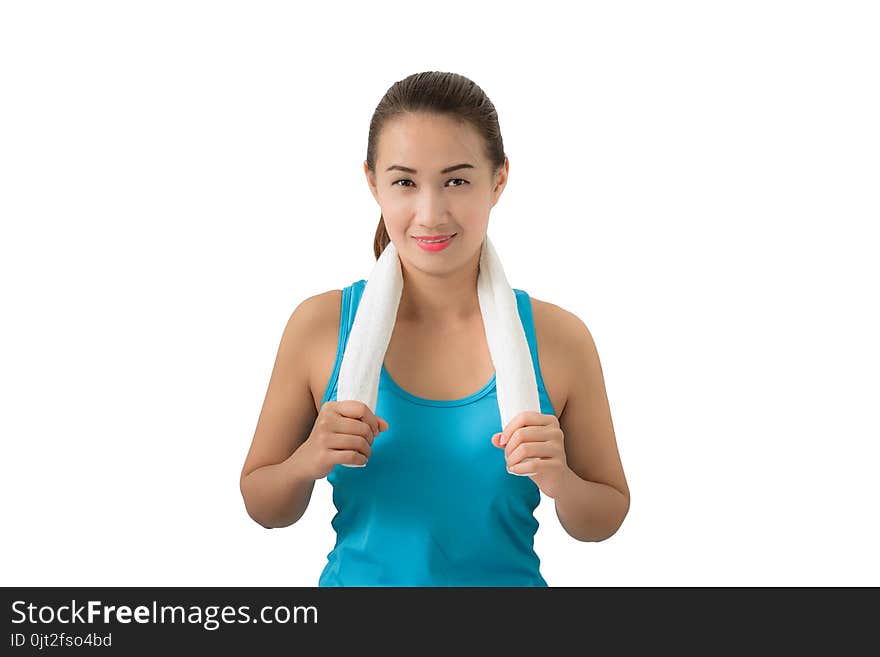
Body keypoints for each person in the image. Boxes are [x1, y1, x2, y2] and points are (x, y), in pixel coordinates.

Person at [239, 71, 630, 586]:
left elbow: (604, 518)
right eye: (404, 182)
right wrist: (306, 461)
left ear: (499, 179)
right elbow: (264, 505)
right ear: (372, 182)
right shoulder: (320, 327)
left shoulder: (561, 340)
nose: (430, 213)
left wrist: (561, 481)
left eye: (457, 180)